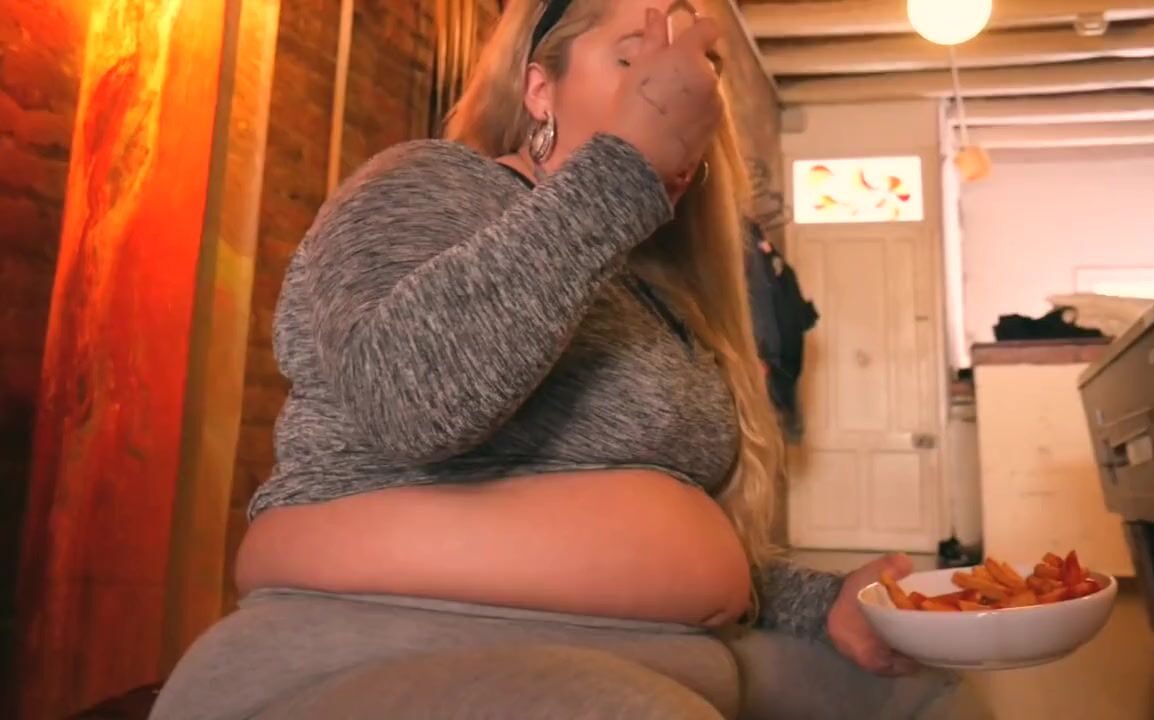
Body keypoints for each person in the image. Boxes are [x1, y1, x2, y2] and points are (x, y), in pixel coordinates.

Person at [151, 0, 956, 717]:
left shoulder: (655, 290)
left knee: (938, 692)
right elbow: (411, 403)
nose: (680, 86)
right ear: (541, 90)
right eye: (637, 57)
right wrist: (622, 172)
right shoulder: (425, 185)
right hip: (386, 649)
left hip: (668, 653)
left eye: (698, 64)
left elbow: (666, 543)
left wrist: (824, 602)